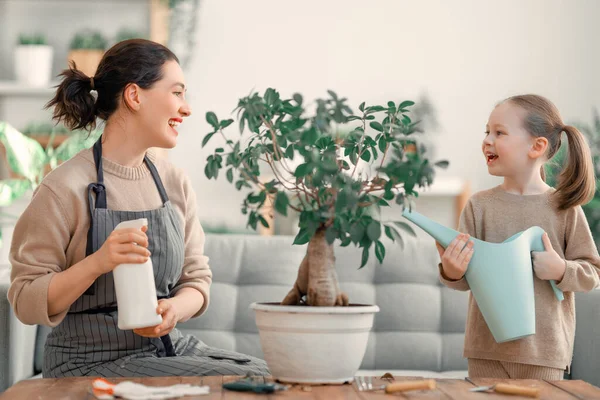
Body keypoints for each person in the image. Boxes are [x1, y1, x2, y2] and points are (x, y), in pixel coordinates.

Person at [8, 39, 269, 378]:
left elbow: (196, 279)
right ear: (134, 96)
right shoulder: (63, 187)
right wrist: (98, 262)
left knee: (272, 376)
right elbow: (26, 300)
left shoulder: (174, 183)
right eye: (176, 93)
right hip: (86, 361)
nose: (186, 108)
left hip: (166, 349)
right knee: (248, 383)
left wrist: (173, 309)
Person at [437, 94, 600, 379]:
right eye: (486, 131)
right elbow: (464, 282)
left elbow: (593, 272)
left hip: (544, 355)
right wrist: (452, 271)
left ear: (536, 146)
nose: (487, 139)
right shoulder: (479, 206)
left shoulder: (564, 208)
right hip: (485, 352)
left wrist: (561, 269)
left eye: (499, 132)